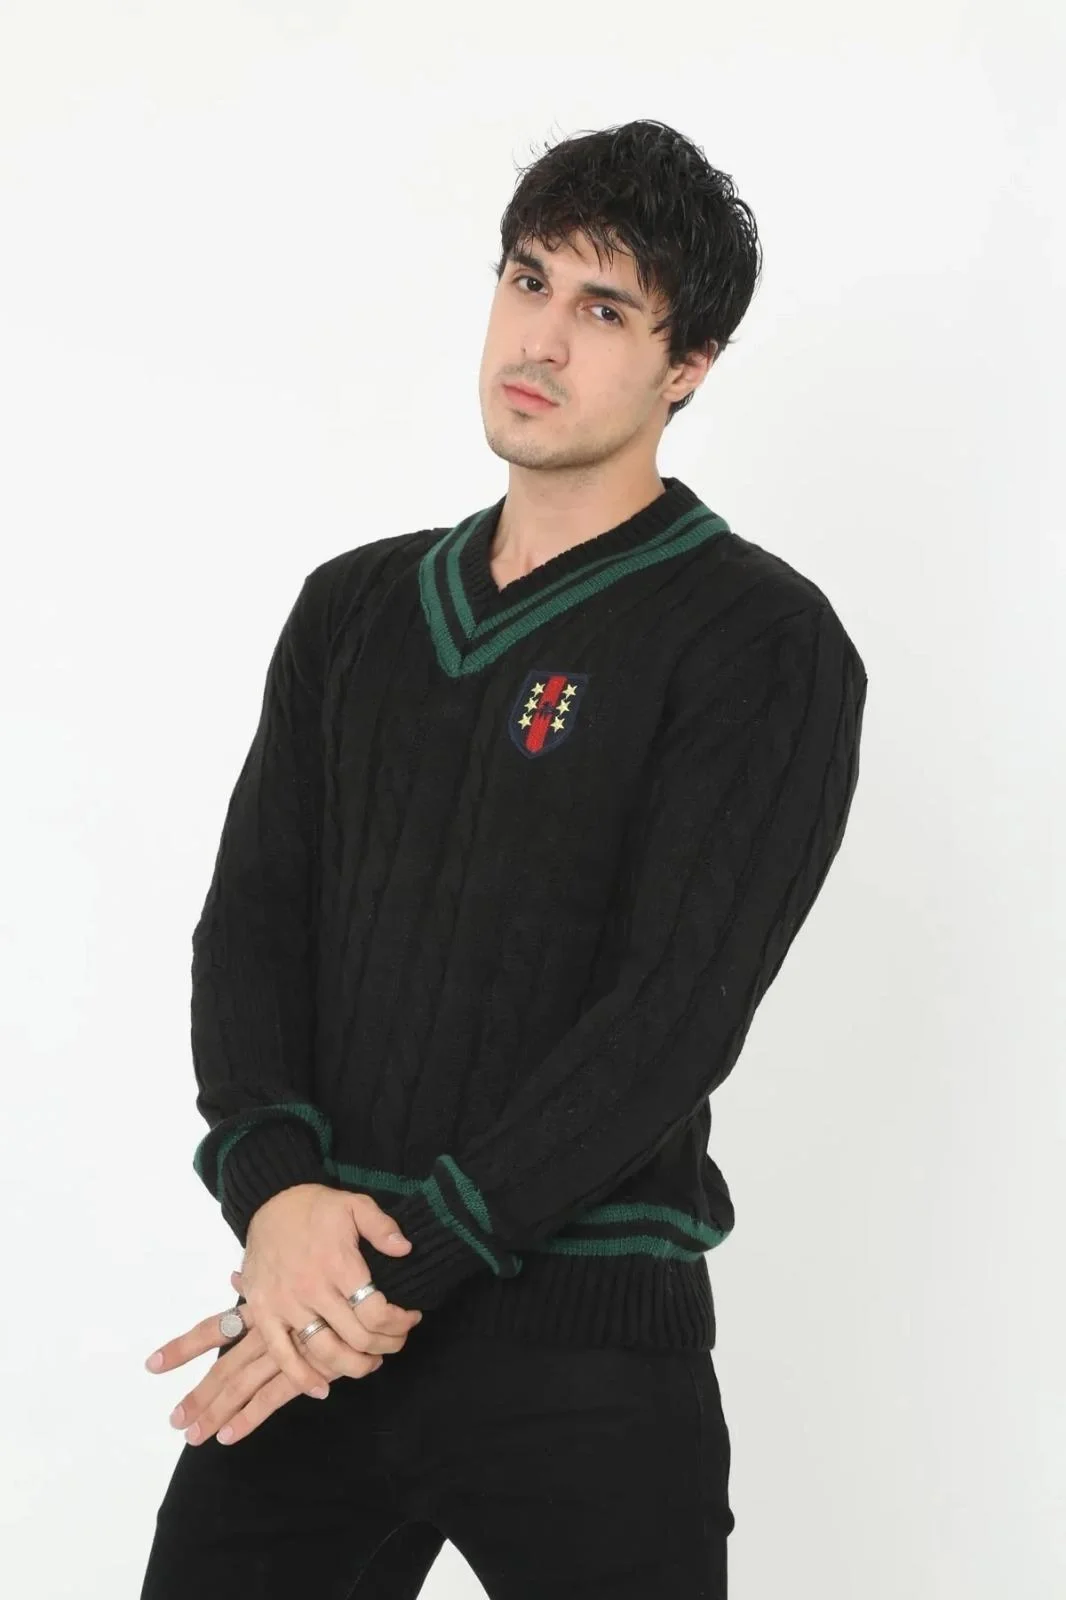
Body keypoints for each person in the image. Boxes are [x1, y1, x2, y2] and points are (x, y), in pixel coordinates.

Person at [139, 118, 868, 1599]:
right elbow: (253, 931)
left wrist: (395, 1264)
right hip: (315, 1326)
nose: (541, 338)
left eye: (603, 309)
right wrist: (273, 1198)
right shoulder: (351, 611)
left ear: (687, 366)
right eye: (527, 281)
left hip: (581, 1353)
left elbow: (672, 1014)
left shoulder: (759, 640)